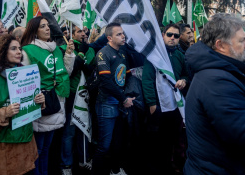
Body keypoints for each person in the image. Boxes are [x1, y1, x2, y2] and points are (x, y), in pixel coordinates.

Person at [0, 34, 45, 175]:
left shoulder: (24, 75)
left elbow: (30, 107)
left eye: (19, 48)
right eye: (14, 49)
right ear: (2, 52)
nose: (19, 51)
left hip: (26, 148)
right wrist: (3, 113)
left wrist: (39, 101)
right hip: (3, 153)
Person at [184, 13, 245, 175]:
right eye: (241, 41)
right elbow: (240, 133)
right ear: (221, 45)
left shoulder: (221, 72)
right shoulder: (217, 81)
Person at [21, 16, 75, 175]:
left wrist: (69, 55)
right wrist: (39, 89)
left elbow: (65, 73)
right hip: (41, 105)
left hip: (56, 103)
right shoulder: (27, 50)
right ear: (34, 31)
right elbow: (24, 80)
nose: (47, 29)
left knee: (45, 150)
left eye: (47, 26)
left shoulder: (56, 49)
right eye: (42, 26)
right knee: (37, 151)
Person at [142, 24, 188, 175]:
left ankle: (168, 166)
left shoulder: (180, 55)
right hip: (158, 106)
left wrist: (184, 81)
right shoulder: (154, 55)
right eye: (169, 34)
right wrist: (151, 103)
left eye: (176, 35)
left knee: (171, 139)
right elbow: (147, 80)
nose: (172, 38)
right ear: (163, 35)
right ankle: (155, 168)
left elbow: (186, 74)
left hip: (175, 105)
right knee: (155, 140)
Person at [92, 22, 135, 175]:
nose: (123, 36)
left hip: (120, 103)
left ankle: (115, 170)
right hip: (106, 103)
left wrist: (128, 95)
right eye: (119, 34)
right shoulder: (103, 53)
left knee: (118, 142)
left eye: (123, 33)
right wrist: (124, 99)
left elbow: (125, 75)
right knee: (104, 145)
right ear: (109, 37)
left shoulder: (123, 52)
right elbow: (106, 82)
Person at [59, 25, 96, 175]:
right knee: (69, 132)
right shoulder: (64, 48)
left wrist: (84, 55)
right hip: (71, 95)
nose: (83, 33)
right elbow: (70, 71)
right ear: (72, 33)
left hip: (86, 94)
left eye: (84, 31)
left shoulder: (91, 49)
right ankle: (66, 165)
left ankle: (84, 159)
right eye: (79, 31)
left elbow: (91, 70)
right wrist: (80, 54)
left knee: (84, 128)